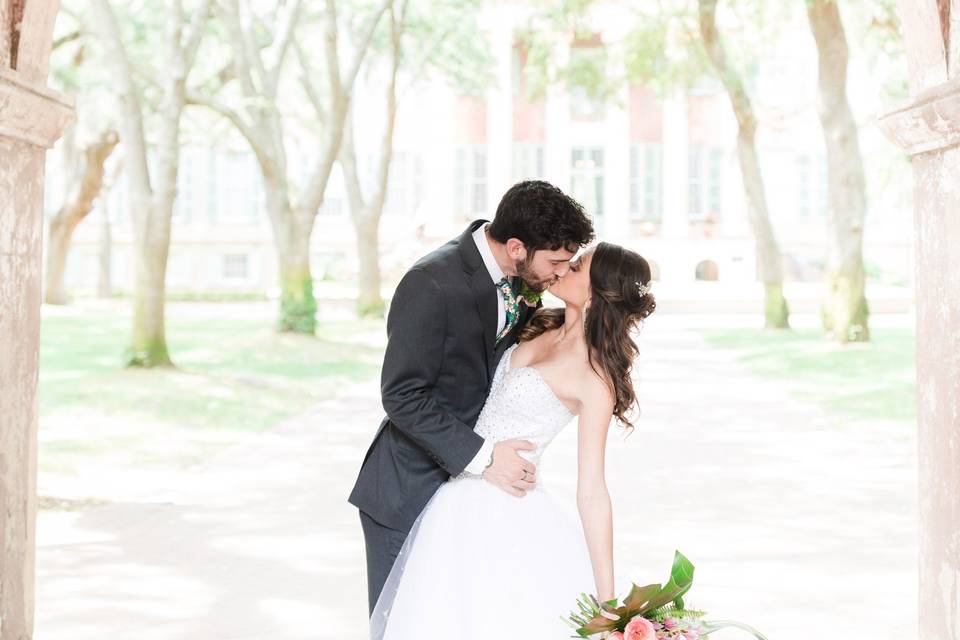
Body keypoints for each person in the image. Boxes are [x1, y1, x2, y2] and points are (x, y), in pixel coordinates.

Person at [368, 241, 657, 638]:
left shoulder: (594, 380)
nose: (563, 268)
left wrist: (607, 603)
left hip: (507, 508)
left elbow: (592, 490)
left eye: (576, 268)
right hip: (453, 494)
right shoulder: (539, 321)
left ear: (595, 294)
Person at [348, 180, 596, 615]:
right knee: (406, 622)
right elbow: (402, 395)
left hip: (475, 503)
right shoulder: (431, 282)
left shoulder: (520, 278)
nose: (560, 273)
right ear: (516, 246)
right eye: (556, 261)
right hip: (409, 486)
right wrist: (486, 457)